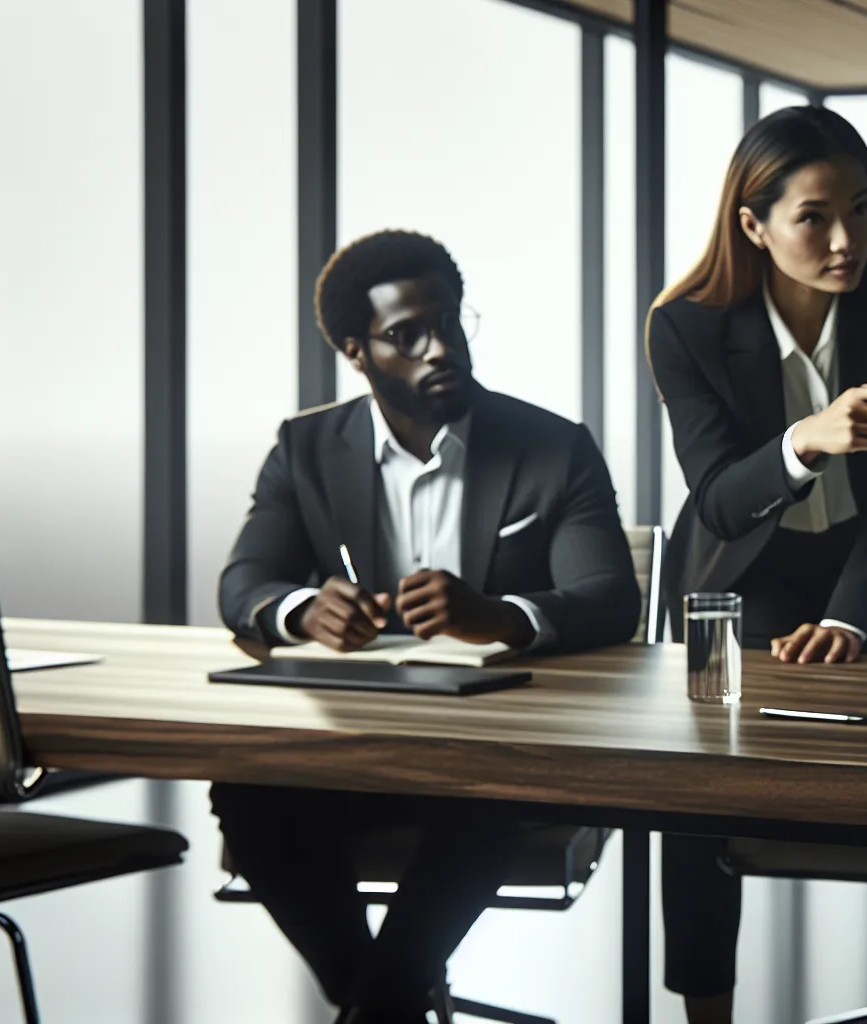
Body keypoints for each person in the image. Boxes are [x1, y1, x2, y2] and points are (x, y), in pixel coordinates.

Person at [216, 229, 641, 1024]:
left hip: (492, 761)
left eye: (447, 323)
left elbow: (611, 597)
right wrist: (302, 610)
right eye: (407, 334)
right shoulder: (306, 448)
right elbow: (244, 585)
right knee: (246, 791)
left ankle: (377, 1007)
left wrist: (500, 617)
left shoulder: (553, 447)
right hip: (355, 755)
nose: (439, 347)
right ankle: (385, 1004)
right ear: (357, 350)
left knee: (483, 794)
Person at [645, 106, 867, 1024]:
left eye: (859, 207)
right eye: (813, 217)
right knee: (695, 789)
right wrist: (805, 440)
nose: (846, 238)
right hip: (730, 578)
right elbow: (716, 500)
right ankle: (707, 1011)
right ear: (753, 223)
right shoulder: (686, 325)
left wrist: (855, 616)